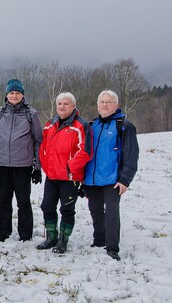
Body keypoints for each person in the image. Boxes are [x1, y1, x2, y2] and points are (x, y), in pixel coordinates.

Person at [84, 90, 139, 261]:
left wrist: (125, 180)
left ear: (116, 105)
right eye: (102, 102)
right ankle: (99, 239)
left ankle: (112, 246)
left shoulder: (124, 125)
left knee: (112, 213)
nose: (105, 105)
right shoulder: (92, 125)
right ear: (98, 105)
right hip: (92, 179)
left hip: (113, 179)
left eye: (109, 102)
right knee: (95, 210)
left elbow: (131, 155)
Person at [0, 79, 43, 245]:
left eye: (17, 93)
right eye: (11, 93)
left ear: (23, 95)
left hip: (23, 166)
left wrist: (37, 167)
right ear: (6, 95)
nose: (14, 96)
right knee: (4, 200)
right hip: (2, 165)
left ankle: (25, 235)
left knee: (23, 201)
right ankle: (3, 233)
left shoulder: (31, 114)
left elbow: (38, 140)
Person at [37, 92, 92, 253]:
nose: (62, 106)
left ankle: (62, 240)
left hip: (69, 178)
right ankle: (51, 237)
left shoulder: (80, 125)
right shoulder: (49, 124)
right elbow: (43, 147)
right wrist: (46, 165)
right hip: (52, 175)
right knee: (47, 206)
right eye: (59, 104)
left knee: (67, 209)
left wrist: (70, 167)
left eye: (65, 104)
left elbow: (86, 151)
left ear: (73, 106)